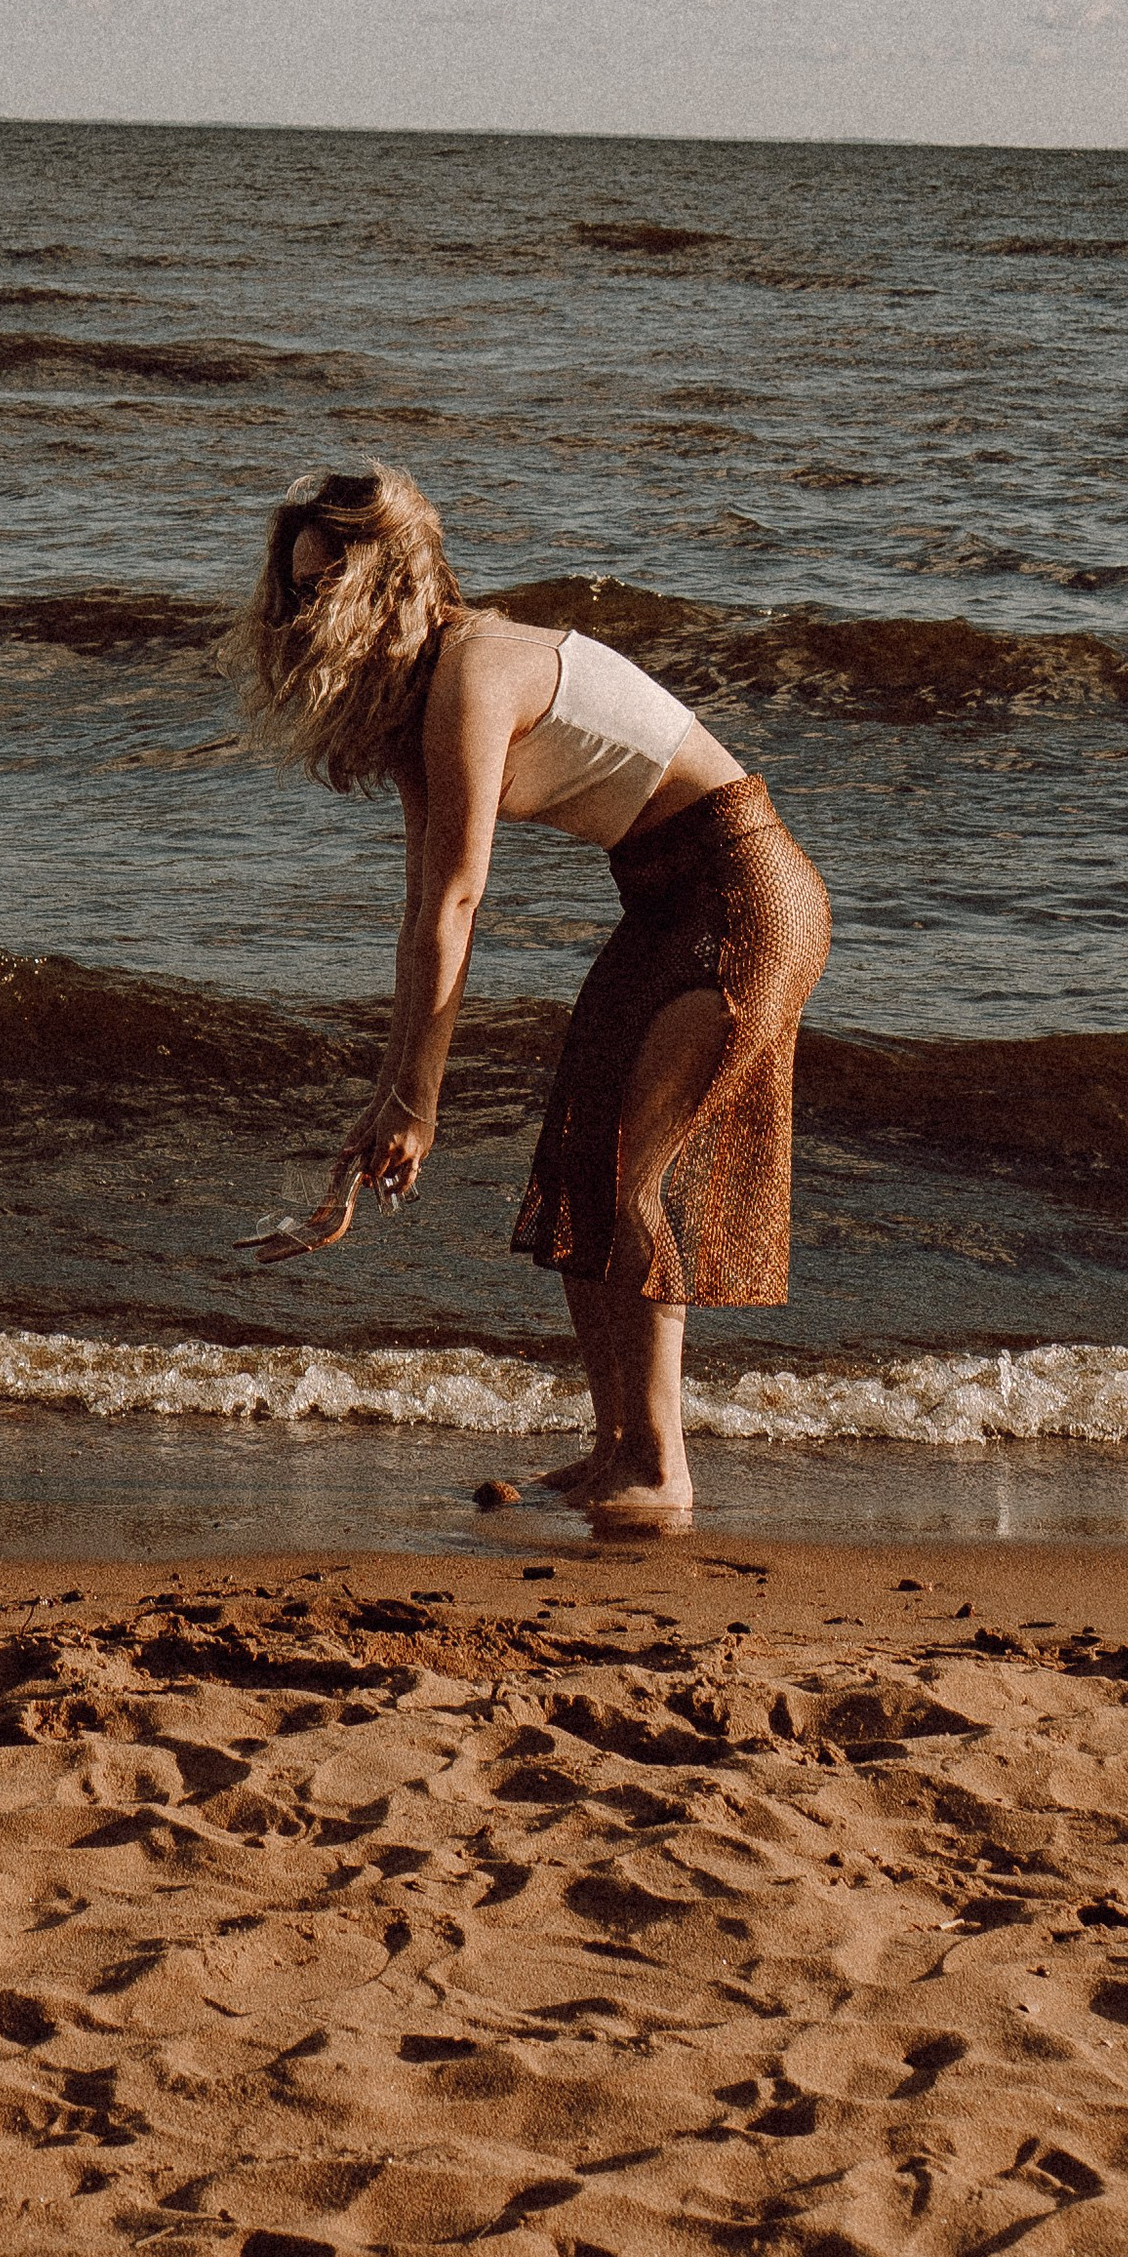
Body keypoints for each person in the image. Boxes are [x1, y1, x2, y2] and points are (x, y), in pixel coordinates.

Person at [238, 463, 830, 1526]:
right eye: (299, 587)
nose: (309, 611)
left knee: (631, 1175)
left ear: (395, 580)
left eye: (331, 584)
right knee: (577, 1161)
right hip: (663, 900)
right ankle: (612, 1451)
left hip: (742, 891)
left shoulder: (476, 671)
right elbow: (422, 911)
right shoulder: (420, 702)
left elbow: (460, 898)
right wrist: (392, 1095)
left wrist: (422, 1104)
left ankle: (659, 1465)